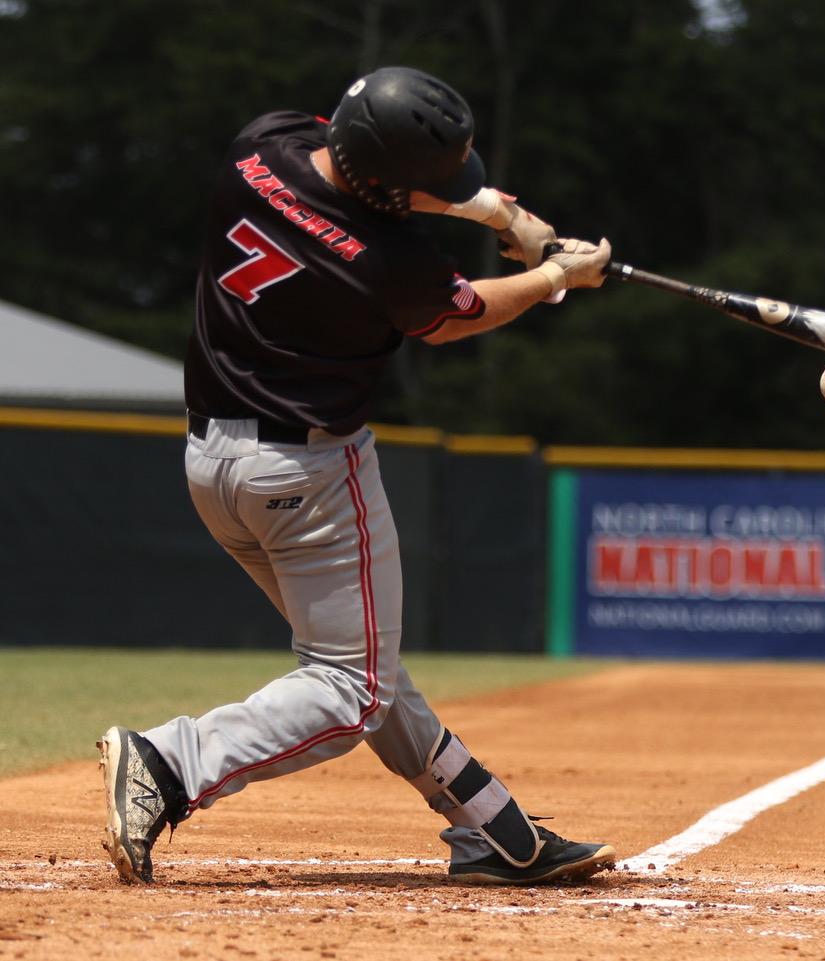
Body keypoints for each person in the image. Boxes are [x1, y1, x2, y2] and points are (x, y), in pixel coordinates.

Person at [96, 66, 615, 886]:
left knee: (364, 663)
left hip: (212, 468)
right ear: (389, 186)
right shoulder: (388, 261)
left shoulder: (260, 146)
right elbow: (466, 313)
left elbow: (378, 183)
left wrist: (510, 217)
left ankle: (493, 827)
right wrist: (557, 276)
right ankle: (168, 762)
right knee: (352, 688)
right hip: (308, 475)